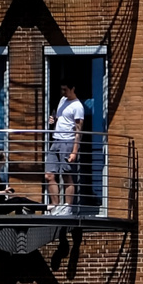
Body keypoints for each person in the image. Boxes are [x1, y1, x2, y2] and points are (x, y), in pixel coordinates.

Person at [45, 81, 84, 216]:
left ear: (73, 88)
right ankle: (55, 205)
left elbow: (79, 130)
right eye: (62, 90)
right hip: (56, 140)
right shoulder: (62, 100)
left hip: (68, 142)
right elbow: (60, 119)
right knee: (49, 175)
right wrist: (53, 120)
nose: (63, 93)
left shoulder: (77, 106)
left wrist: (74, 151)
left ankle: (67, 206)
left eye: (65, 90)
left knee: (66, 175)